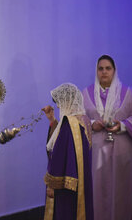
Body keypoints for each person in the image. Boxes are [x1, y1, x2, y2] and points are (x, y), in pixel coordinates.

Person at [82, 55, 132, 220]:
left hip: (122, 152)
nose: (104, 72)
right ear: (96, 71)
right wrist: (92, 124)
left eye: (108, 68)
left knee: (121, 191)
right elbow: (79, 120)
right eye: (100, 68)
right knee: (97, 190)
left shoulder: (128, 93)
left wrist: (122, 125)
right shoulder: (86, 94)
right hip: (96, 152)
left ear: (114, 71)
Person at [42, 83, 93, 220]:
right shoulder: (84, 120)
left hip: (66, 186)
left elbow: (59, 154)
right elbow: (61, 142)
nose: (58, 107)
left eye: (59, 103)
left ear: (67, 101)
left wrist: (52, 185)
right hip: (82, 180)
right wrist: (52, 120)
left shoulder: (69, 123)